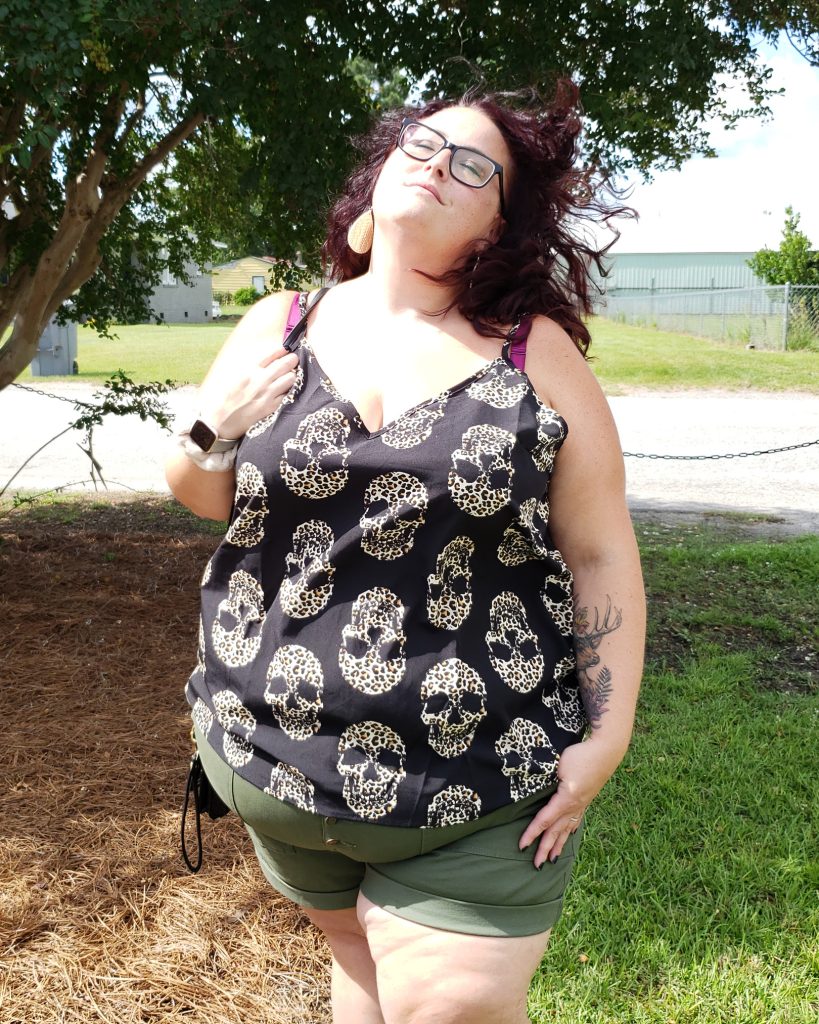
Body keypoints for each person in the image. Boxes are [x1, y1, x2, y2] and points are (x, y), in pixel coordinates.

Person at [166, 79, 645, 1024]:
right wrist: (207, 428)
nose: (438, 163)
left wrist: (609, 734)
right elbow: (204, 495)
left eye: (474, 166)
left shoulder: (531, 353)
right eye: (423, 143)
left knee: (449, 1008)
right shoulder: (283, 324)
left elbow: (598, 552)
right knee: (363, 971)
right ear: (376, 180)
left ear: (496, 228)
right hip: (273, 763)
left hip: (479, 780)